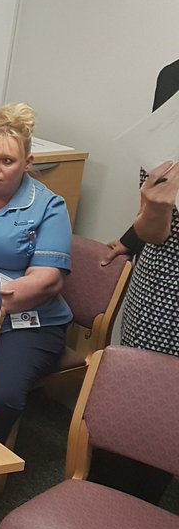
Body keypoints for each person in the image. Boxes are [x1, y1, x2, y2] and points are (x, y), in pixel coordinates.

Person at [89, 62, 179, 505]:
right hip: (165, 293)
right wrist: (141, 227)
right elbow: (158, 220)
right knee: (141, 419)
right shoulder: (175, 75)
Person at [0, 103, 73, 444]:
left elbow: (46, 281)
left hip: (28, 322)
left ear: (28, 163)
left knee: (0, 396)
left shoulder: (48, 205)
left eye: (7, 161)